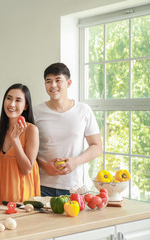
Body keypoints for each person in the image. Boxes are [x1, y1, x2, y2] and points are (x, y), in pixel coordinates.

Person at [33, 62, 102, 197]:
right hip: (41, 187)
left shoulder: (84, 110)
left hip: (74, 188)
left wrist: (76, 161)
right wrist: (44, 165)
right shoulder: (36, 112)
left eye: (58, 80)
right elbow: (28, 149)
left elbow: (97, 147)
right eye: (48, 81)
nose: (53, 85)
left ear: (69, 83)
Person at [0, 84, 40, 204]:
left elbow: (27, 169)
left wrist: (15, 139)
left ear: (25, 106)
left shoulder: (31, 130)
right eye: (9, 98)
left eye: (18, 100)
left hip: (22, 200)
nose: (12, 104)